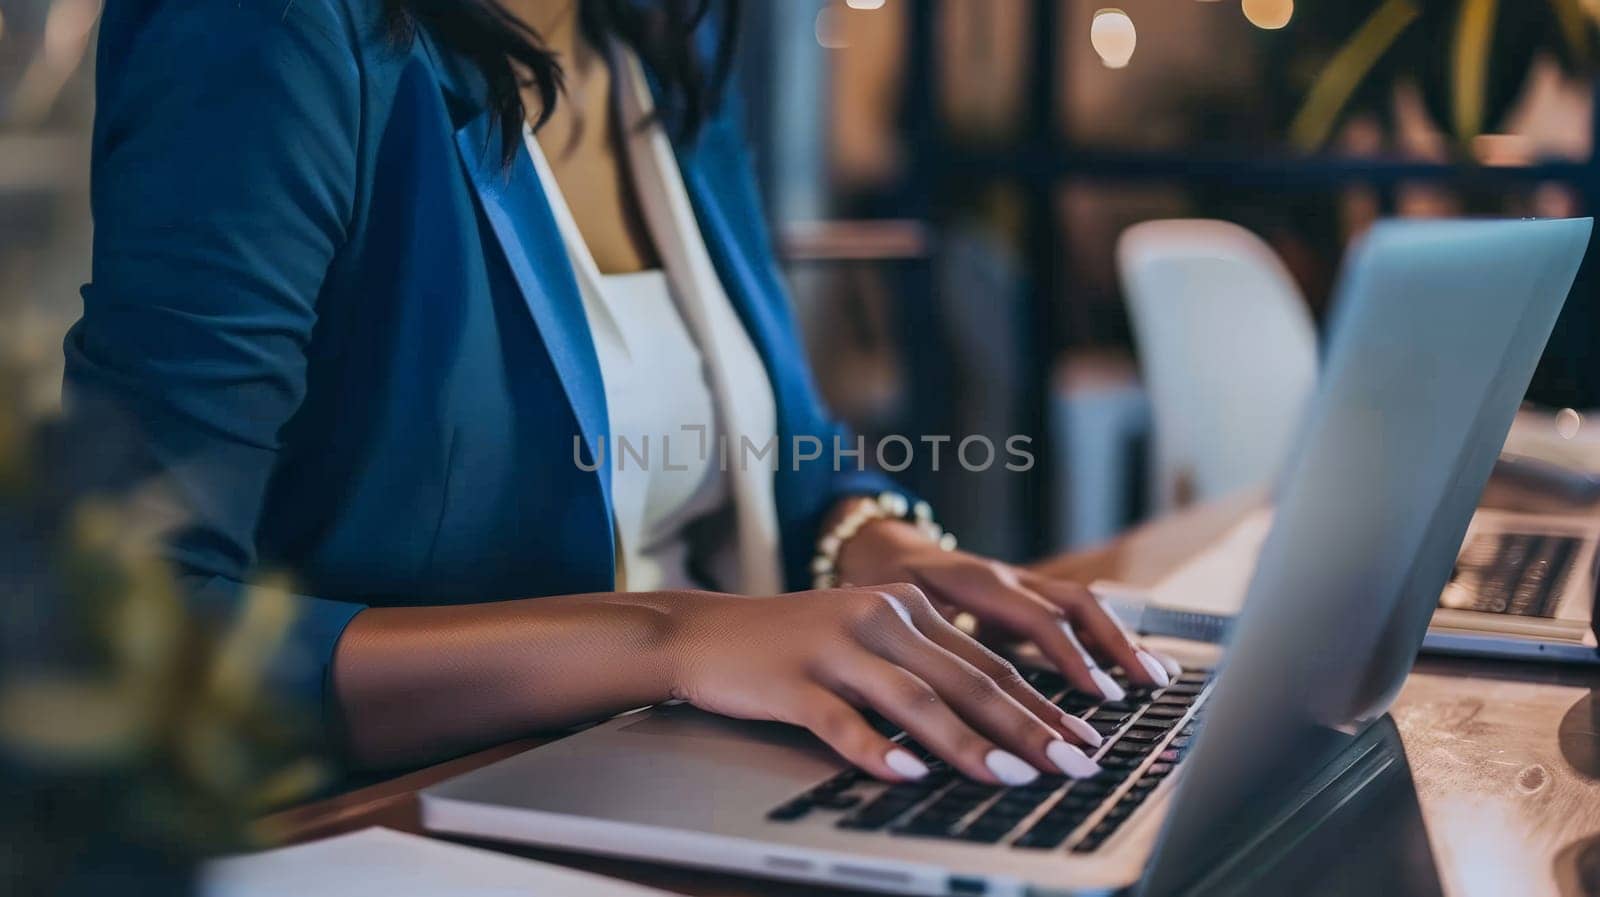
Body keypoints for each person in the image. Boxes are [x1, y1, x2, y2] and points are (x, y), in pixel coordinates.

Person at [66, 0, 1177, 788]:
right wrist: (672, 641)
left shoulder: (661, 38)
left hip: (711, 784)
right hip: (416, 820)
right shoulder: (274, 30)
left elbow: (779, 444)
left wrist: (886, 551)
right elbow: (126, 620)